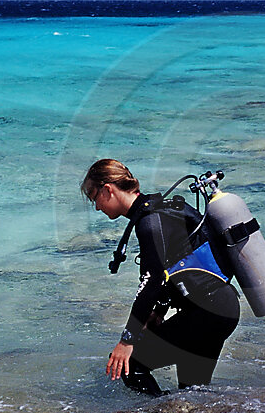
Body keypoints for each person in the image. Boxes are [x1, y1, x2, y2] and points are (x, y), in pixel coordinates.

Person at [81, 159, 239, 395]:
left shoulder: (149, 222)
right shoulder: (161, 210)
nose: (96, 208)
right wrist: (159, 311)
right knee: (192, 397)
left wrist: (127, 341)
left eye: (95, 198)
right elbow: (175, 266)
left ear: (108, 189)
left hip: (206, 313)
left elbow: (152, 282)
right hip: (221, 309)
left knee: (130, 366)